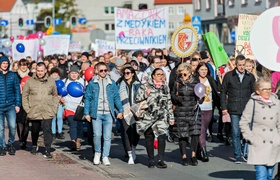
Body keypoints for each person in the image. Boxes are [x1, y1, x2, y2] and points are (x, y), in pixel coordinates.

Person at [240, 77, 280, 179]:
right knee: (261, 175)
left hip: (273, 144)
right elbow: (244, 122)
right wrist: (252, 138)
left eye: (269, 89)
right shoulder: (252, 103)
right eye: (264, 89)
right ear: (258, 91)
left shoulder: (277, 103)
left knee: (270, 175)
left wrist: (278, 139)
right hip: (258, 144)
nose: (268, 91)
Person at [84, 62, 124, 166]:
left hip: (108, 113)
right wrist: (86, 113)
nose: (103, 72)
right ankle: (97, 153)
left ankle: (105, 156)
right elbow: (87, 98)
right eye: (101, 70)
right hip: (96, 113)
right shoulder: (92, 83)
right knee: (97, 135)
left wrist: (120, 110)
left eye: (105, 70)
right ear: (96, 71)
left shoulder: (112, 82)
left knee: (107, 137)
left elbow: (116, 97)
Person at [135, 68, 174, 168]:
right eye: (158, 74)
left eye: (162, 74)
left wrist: (171, 117)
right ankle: (151, 159)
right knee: (149, 137)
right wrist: (145, 94)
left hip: (161, 116)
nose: (160, 76)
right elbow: (136, 98)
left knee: (162, 137)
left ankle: (161, 159)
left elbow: (169, 102)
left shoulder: (165, 87)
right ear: (153, 76)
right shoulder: (146, 86)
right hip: (148, 116)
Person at [221, 55, 255, 164]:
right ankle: (238, 155)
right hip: (234, 108)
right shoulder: (229, 76)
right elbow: (223, 92)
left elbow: (254, 93)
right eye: (239, 65)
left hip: (247, 109)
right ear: (235, 65)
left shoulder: (250, 77)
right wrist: (224, 107)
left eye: (243, 65)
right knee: (235, 132)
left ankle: (245, 152)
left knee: (246, 132)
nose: (241, 67)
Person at [22, 62, 58, 158]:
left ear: (46, 70)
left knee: (47, 130)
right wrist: (27, 109)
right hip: (34, 110)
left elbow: (55, 95)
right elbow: (24, 96)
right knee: (35, 130)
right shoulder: (30, 81)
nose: (40, 73)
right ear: (35, 70)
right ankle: (34, 145)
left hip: (47, 109)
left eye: (42, 71)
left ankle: (47, 149)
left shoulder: (51, 81)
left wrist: (54, 108)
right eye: (38, 71)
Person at [170, 63, 202, 166]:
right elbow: (172, 95)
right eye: (180, 74)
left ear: (189, 72)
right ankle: (184, 156)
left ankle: (193, 154)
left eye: (184, 74)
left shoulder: (196, 82)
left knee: (195, 133)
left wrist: (201, 99)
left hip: (193, 111)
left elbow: (199, 95)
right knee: (182, 135)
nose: (182, 76)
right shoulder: (177, 83)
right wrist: (177, 98)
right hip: (181, 111)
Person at [117, 65, 141, 164]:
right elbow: (117, 98)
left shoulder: (138, 84)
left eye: (128, 73)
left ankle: (134, 147)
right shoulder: (119, 84)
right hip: (124, 110)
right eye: (124, 73)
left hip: (136, 111)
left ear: (132, 74)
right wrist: (119, 111)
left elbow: (142, 97)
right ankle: (130, 154)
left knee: (136, 132)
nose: (126, 75)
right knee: (126, 132)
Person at [196, 62, 220, 162]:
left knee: (204, 129)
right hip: (198, 108)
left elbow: (216, 91)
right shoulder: (195, 80)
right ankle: (204, 151)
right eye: (202, 69)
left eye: (205, 70)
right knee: (201, 130)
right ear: (198, 70)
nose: (203, 71)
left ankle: (198, 150)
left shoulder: (210, 79)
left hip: (209, 108)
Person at [0, 56, 21, 156]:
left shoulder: (13, 75)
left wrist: (17, 104)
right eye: (3, 63)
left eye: (6, 63)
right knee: (0, 128)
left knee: (12, 126)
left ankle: (11, 144)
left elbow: (17, 90)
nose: (5, 65)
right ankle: (2, 146)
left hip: (11, 105)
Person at [63, 65, 85, 150]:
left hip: (80, 107)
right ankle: (73, 141)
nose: (74, 75)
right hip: (69, 107)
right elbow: (60, 92)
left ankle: (78, 140)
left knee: (79, 126)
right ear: (69, 73)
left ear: (78, 73)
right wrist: (61, 98)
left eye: (75, 73)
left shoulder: (83, 82)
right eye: (72, 73)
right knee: (73, 124)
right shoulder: (65, 81)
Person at [16, 59, 32, 150]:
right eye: (22, 65)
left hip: (28, 101)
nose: (23, 67)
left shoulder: (31, 76)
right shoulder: (15, 75)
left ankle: (24, 140)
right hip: (18, 101)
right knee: (19, 122)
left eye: (25, 65)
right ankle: (20, 139)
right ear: (19, 66)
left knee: (26, 122)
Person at [49, 67, 65, 140]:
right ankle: (53, 132)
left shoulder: (61, 82)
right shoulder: (49, 82)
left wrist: (61, 98)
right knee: (53, 117)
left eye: (56, 74)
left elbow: (63, 91)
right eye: (53, 74)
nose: (55, 75)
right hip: (51, 102)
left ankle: (60, 132)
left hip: (59, 102)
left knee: (59, 116)